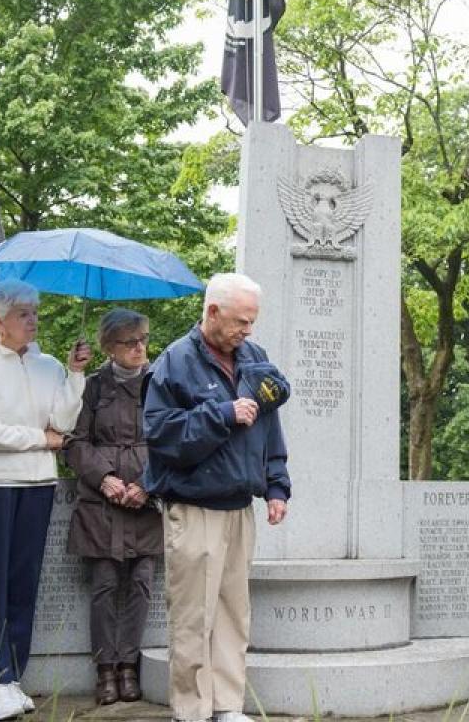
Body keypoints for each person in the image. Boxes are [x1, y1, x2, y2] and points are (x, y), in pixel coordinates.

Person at [144, 273, 291, 722]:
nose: (248, 331)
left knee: (232, 614)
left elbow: (268, 427)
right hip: (194, 508)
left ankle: (227, 707)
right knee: (193, 617)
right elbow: (161, 435)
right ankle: (190, 711)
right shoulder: (174, 362)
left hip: (238, 509)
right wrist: (222, 415)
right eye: (241, 322)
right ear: (212, 313)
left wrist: (276, 484)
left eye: (252, 322)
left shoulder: (253, 357)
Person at [0, 279, 91, 720]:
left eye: (35, 312)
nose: (34, 320)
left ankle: (12, 677)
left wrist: (74, 374)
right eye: (23, 314)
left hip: (38, 485)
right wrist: (42, 440)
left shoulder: (49, 364)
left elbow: (63, 421)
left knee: (23, 584)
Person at [65, 309, 161, 705]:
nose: (139, 347)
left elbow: (174, 441)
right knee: (104, 585)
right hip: (100, 506)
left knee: (141, 584)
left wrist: (147, 484)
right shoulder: (92, 388)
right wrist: (103, 477)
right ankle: (105, 669)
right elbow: (74, 443)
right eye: (129, 341)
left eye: (143, 339)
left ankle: (129, 665)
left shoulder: (161, 386)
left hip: (145, 503)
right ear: (109, 347)